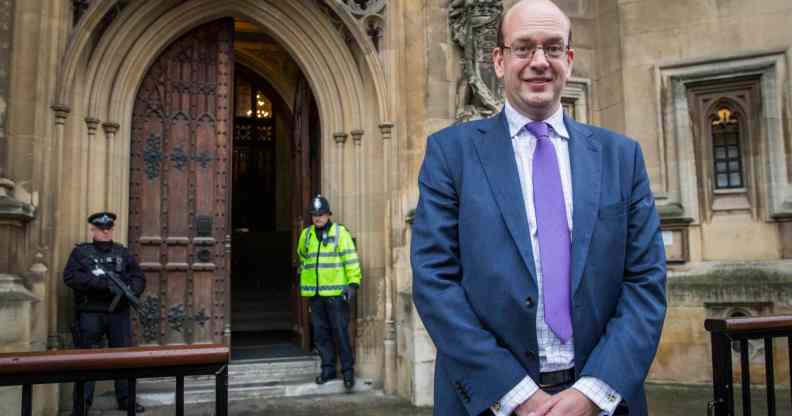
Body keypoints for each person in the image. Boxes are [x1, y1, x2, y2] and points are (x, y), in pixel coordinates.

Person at [410, 1, 667, 415]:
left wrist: (593, 394)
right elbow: (435, 282)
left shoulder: (622, 157)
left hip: (602, 402)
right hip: (491, 401)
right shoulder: (450, 155)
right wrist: (516, 395)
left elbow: (645, 282)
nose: (538, 62)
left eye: (552, 48)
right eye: (523, 48)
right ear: (498, 60)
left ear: (569, 59)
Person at [64, 212, 146, 414]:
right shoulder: (81, 253)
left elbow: (139, 277)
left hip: (118, 313)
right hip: (90, 313)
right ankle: (82, 404)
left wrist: (129, 291)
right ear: (93, 229)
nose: (105, 231)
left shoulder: (123, 252)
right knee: (87, 360)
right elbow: (70, 277)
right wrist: (102, 285)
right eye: (101, 228)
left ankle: (126, 399)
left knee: (124, 358)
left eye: (108, 228)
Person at [297, 195, 362, 391]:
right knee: (321, 334)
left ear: (328, 215)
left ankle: (348, 373)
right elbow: (302, 256)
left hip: (335, 294)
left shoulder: (340, 233)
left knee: (340, 333)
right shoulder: (306, 235)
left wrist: (353, 284)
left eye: (321, 214)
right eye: (314, 215)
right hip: (316, 294)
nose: (317, 218)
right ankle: (328, 369)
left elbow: (351, 259)